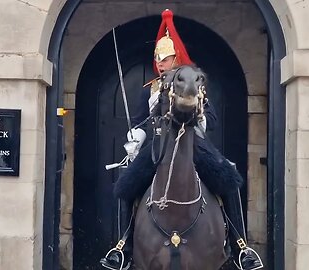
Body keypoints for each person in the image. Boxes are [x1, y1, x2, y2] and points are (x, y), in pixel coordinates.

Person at [100, 9, 263, 270]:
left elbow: (211, 116)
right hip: (158, 145)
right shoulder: (153, 88)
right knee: (125, 183)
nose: (159, 63)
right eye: (157, 58)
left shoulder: (193, 84)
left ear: (176, 56)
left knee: (228, 176)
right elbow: (143, 118)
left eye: (163, 58)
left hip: (193, 143)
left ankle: (240, 246)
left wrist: (198, 117)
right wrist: (137, 133)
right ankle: (123, 247)